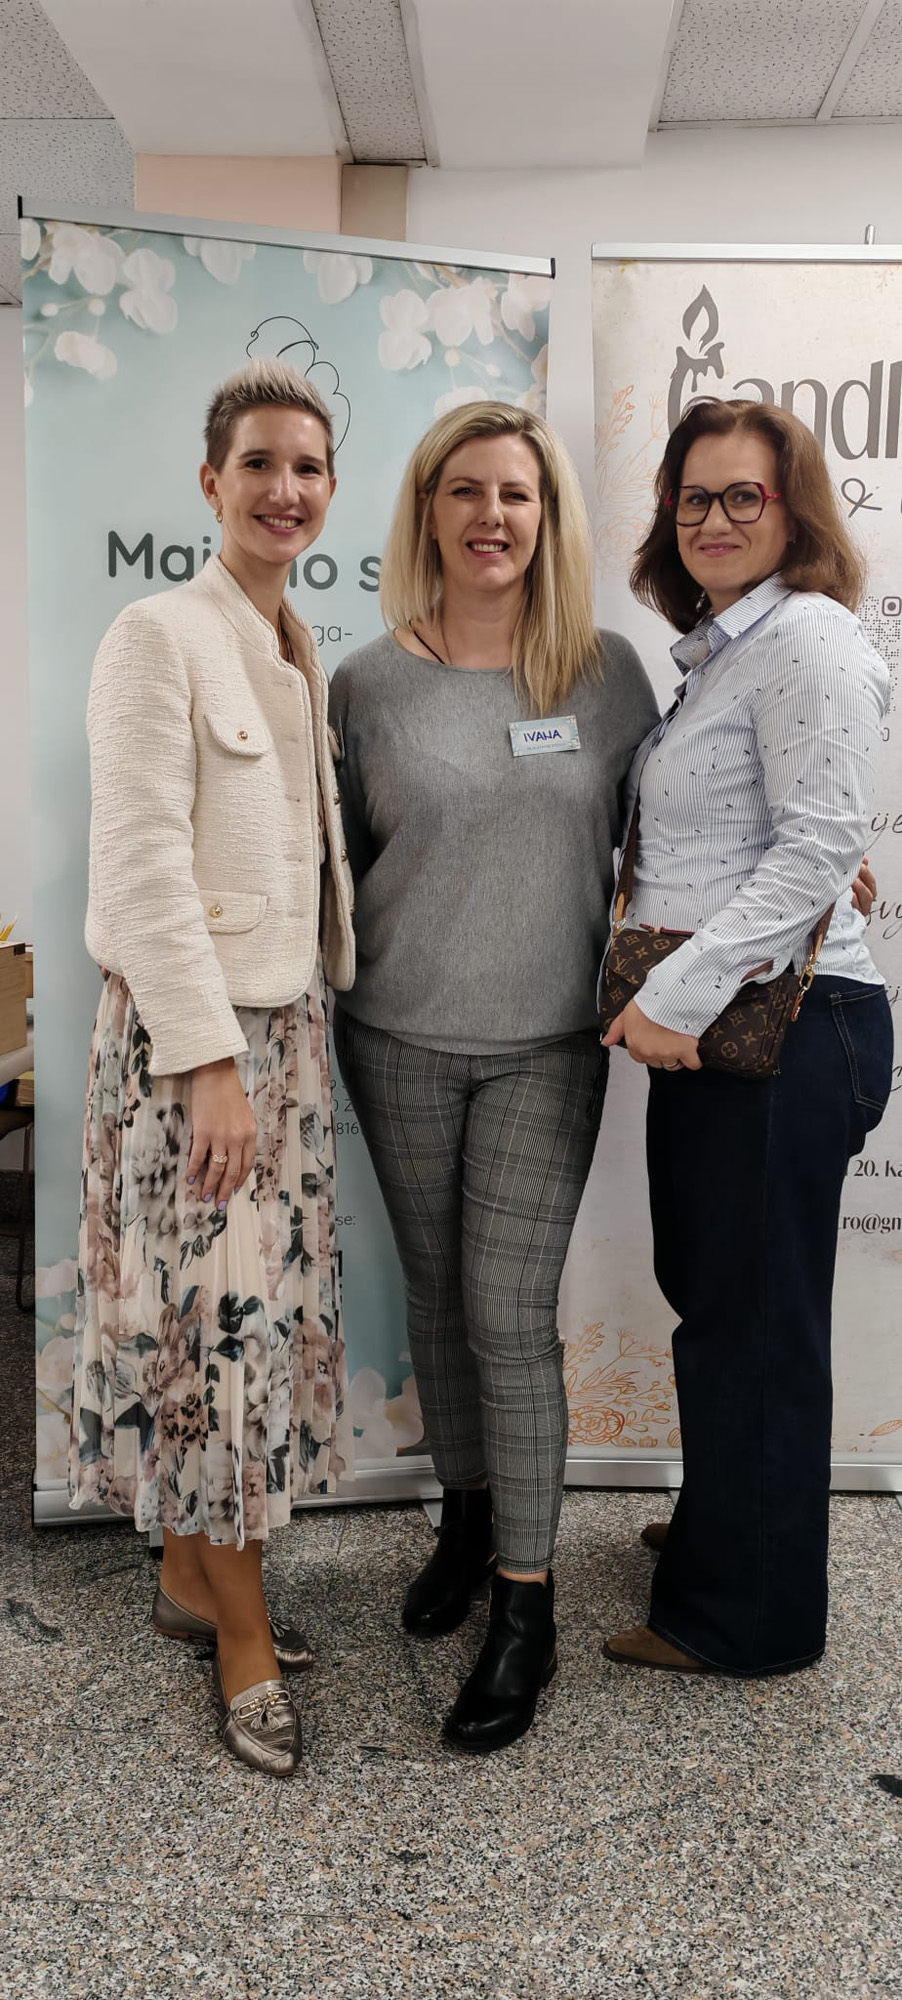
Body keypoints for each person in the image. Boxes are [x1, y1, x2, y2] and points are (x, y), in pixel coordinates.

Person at [328, 402, 661, 1753]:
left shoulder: (605, 674)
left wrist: (820, 859)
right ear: (427, 510)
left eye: (514, 493)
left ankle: (525, 1606)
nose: (490, 516)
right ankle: (464, 1521)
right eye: (462, 491)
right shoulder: (365, 683)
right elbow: (343, 868)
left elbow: (671, 831)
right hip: (394, 1036)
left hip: (545, 1045)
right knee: (434, 1294)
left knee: (506, 1313)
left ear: (547, 513)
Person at [69, 359, 355, 1776]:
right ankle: (240, 1641)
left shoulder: (293, 644)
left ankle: (193, 1580)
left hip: (283, 1035)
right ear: (209, 481)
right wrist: (213, 1066)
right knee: (219, 1346)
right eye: (258, 463)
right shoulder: (157, 633)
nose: (283, 488)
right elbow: (138, 865)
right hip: (200, 1051)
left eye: (306, 467)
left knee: (231, 1331)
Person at [600, 398, 892, 1678]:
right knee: (721, 1303)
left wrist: (678, 994)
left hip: (782, 1026)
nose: (711, 518)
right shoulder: (726, 649)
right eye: (691, 497)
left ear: (791, 510)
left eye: (741, 496)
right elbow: (778, 831)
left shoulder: (807, 636)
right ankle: (735, 1526)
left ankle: (747, 1617)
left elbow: (818, 843)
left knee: (754, 1325)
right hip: (739, 1025)